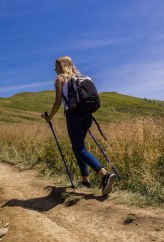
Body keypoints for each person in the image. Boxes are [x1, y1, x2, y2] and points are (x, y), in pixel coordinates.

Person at [42, 56, 116, 196]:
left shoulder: (60, 79)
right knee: (78, 147)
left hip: (74, 117)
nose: (54, 69)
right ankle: (85, 180)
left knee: (79, 148)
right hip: (87, 116)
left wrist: (49, 117)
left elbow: (58, 102)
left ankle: (104, 174)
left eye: (56, 66)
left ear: (62, 66)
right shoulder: (81, 77)